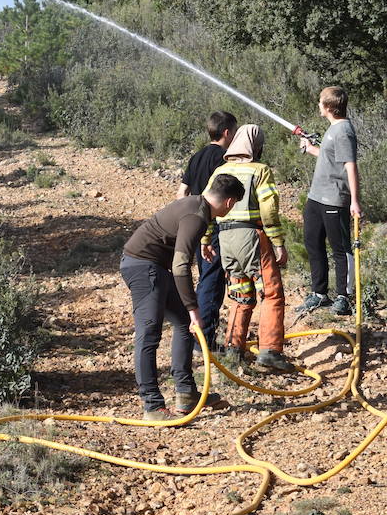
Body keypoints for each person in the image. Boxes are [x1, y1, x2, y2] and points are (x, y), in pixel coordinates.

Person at [122, 173, 245, 420]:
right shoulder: (197, 216)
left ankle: (186, 393)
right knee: (150, 333)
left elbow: (182, 232)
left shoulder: (197, 204)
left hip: (154, 266)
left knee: (182, 326)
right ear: (230, 203)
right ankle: (153, 407)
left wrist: (201, 244)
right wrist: (194, 309)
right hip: (143, 267)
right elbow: (180, 266)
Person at [203, 124, 293, 371]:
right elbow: (269, 209)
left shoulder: (221, 170)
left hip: (226, 239)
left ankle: (234, 349)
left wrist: (205, 239)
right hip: (252, 237)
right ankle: (270, 352)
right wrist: (278, 242)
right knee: (271, 292)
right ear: (256, 146)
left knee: (240, 295)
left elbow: (206, 206)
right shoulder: (260, 170)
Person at [295, 87, 361, 317]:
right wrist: (311, 148)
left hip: (334, 198)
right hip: (316, 197)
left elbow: (350, 166)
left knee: (340, 250)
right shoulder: (334, 129)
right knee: (313, 243)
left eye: (320, 102)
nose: (318, 105)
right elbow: (331, 156)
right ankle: (319, 293)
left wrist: (354, 200)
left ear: (330, 107)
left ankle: (344, 296)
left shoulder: (343, 131)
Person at [176, 111, 238, 350]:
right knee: (212, 282)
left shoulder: (197, 156)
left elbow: (181, 193)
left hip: (197, 226)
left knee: (205, 279)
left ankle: (199, 337)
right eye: (234, 132)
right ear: (227, 132)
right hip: (216, 227)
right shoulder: (224, 159)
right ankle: (204, 341)